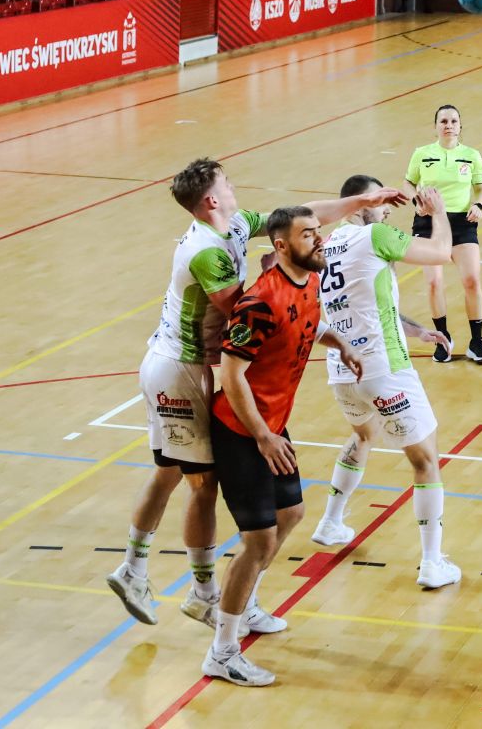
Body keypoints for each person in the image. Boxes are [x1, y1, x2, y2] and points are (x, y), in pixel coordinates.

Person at [106, 158, 406, 632]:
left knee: (173, 474)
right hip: (180, 368)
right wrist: (280, 273)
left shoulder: (235, 225)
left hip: (188, 365)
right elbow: (248, 312)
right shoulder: (207, 252)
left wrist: (360, 201)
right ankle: (195, 591)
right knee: (199, 484)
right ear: (212, 199)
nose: (234, 187)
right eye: (226, 183)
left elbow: (299, 216)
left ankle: (140, 570)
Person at [202, 206, 364, 686]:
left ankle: (245, 602)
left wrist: (340, 344)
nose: (319, 239)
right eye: (307, 234)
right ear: (280, 245)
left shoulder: (310, 280)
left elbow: (310, 323)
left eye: (318, 231)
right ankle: (222, 652)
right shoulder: (259, 302)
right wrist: (263, 436)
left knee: (290, 513)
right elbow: (232, 375)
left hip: (272, 425)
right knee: (258, 540)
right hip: (242, 431)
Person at [309, 180, 462, 590]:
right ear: (362, 203)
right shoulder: (374, 234)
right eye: (379, 201)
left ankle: (331, 521)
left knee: (364, 434)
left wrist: (417, 331)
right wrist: (439, 213)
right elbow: (441, 252)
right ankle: (432, 563)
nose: (387, 209)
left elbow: (364, 302)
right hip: (384, 370)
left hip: (342, 373)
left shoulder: (327, 244)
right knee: (425, 461)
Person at [402, 104, 482, 364]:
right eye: (443, 121)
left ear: (460, 126)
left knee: (471, 280)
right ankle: (442, 338)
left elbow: (481, 188)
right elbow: (408, 182)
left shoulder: (471, 155)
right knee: (433, 283)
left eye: (453, 121)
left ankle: (477, 341)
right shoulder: (422, 154)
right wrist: (416, 201)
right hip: (428, 222)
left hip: (461, 222)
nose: (448, 125)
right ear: (436, 126)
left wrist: (479, 205)